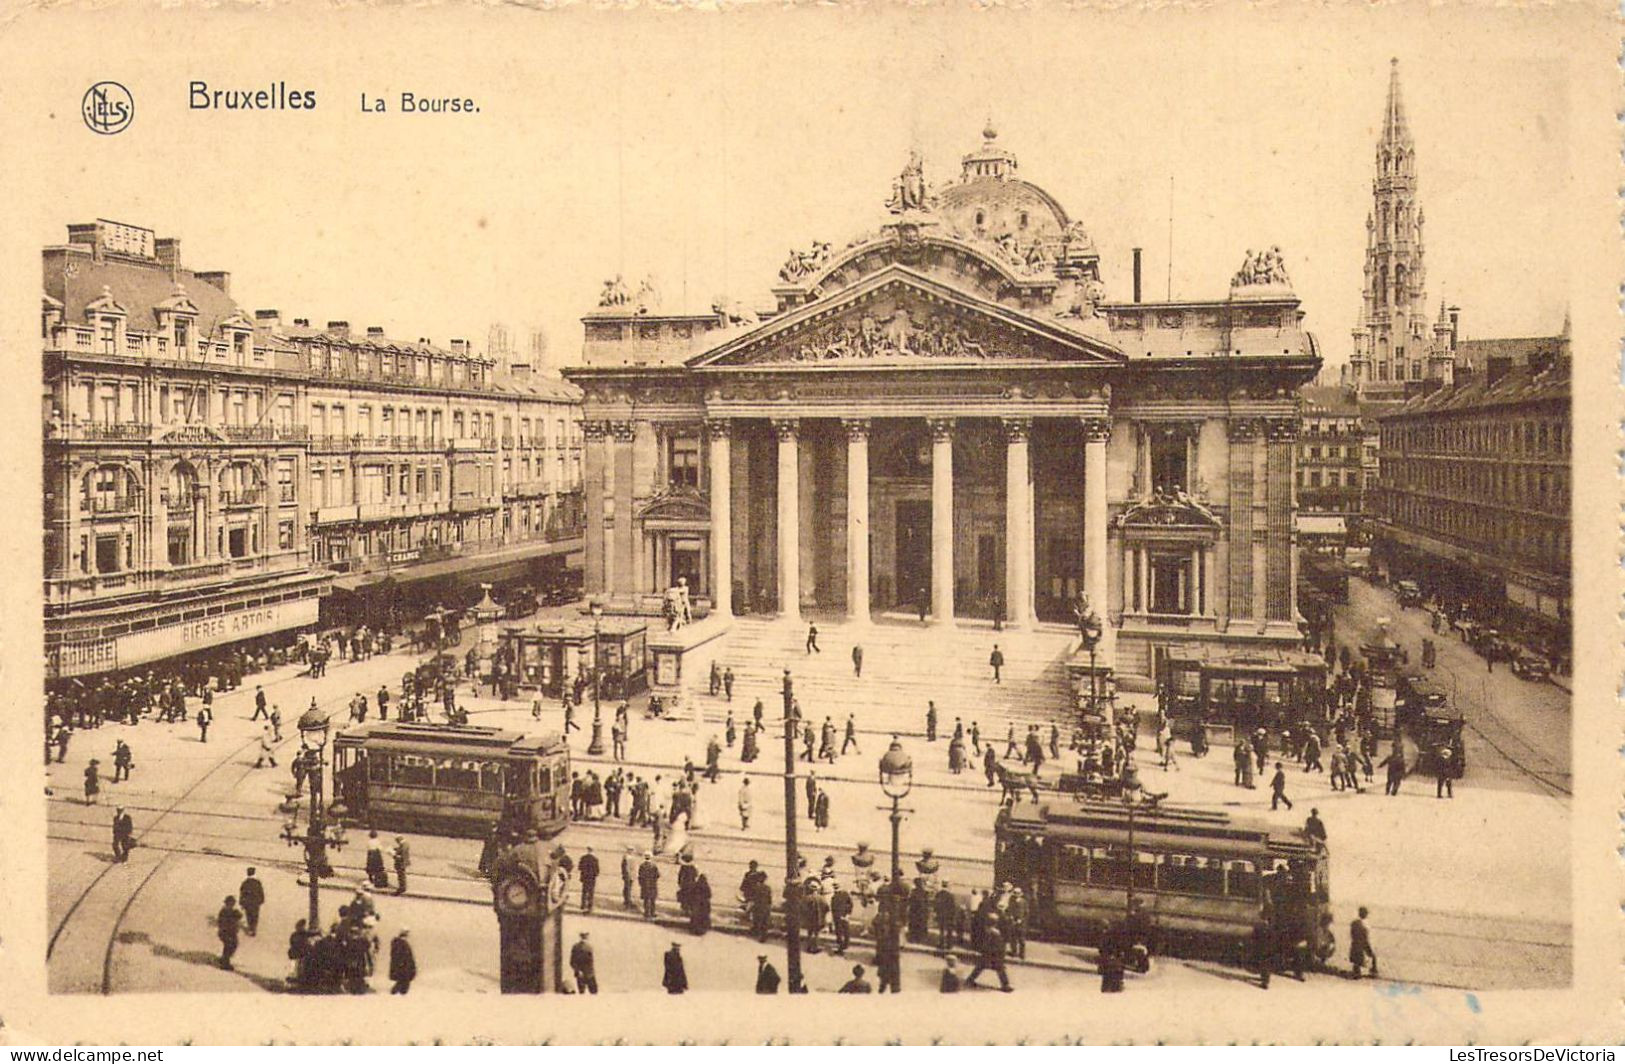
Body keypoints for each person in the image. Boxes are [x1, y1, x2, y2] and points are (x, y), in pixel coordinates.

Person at [964, 918, 1013, 991]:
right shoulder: (994, 933)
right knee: (999, 968)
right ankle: (1005, 985)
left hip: (989, 954)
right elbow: (994, 945)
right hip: (992, 954)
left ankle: (970, 980)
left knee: (981, 967)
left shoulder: (990, 932)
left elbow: (986, 944)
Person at [1349, 906, 1378, 978]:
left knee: (1357, 959)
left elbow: (1352, 934)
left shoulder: (1354, 923)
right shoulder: (1364, 924)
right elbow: (1365, 936)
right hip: (1363, 943)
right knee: (1372, 956)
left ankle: (1357, 972)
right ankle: (1373, 972)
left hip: (1355, 943)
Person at [386, 928, 416, 994]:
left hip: (403, 967)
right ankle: (395, 995)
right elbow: (403, 957)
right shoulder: (401, 943)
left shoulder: (401, 943)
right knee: (403, 984)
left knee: (402, 983)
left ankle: (396, 995)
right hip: (403, 968)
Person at [216, 895, 243, 969]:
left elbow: (239, 915)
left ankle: (224, 959)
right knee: (229, 946)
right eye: (230, 903)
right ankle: (225, 963)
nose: (231, 905)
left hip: (231, 933)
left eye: (233, 903)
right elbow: (223, 922)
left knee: (232, 946)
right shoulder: (224, 911)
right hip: (226, 932)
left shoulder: (231, 911)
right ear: (227, 903)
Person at [239, 867, 266, 936]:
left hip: (248, 902)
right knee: (255, 915)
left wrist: (241, 902)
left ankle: (250, 928)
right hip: (256, 902)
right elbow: (261, 892)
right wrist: (261, 900)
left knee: (249, 915)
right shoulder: (257, 882)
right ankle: (254, 928)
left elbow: (242, 893)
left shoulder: (245, 883)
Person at [830, 881, 853, 954]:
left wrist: (847, 914)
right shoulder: (844, 894)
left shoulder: (836, 896)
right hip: (842, 916)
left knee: (841, 931)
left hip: (840, 916)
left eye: (836, 887)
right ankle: (844, 945)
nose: (835, 889)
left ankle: (842, 946)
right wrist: (848, 914)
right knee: (844, 931)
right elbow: (850, 904)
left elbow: (850, 904)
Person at [638, 852, 661, 918]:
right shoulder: (654, 866)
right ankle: (652, 912)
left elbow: (640, 876)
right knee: (652, 899)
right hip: (652, 884)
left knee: (646, 899)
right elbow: (657, 875)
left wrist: (641, 884)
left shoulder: (642, 865)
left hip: (645, 885)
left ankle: (646, 913)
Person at [578, 847, 600, 912]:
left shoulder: (583, 858)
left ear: (587, 850)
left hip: (585, 877)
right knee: (591, 892)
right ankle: (590, 906)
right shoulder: (595, 859)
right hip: (592, 878)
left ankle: (583, 905)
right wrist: (594, 875)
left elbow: (580, 867)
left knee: (584, 891)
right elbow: (597, 870)